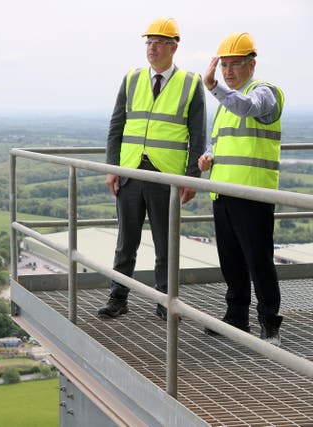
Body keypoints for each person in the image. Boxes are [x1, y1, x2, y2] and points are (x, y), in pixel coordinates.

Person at [97, 17, 206, 320]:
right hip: (131, 173)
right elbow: (116, 127)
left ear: (173, 47)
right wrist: (112, 167)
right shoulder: (131, 79)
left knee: (165, 245)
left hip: (165, 176)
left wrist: (191, 178)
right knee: (125, 242)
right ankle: (118, 299)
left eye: (158, 42)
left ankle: (165, 302)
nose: (152, 47)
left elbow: (198, 136)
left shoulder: (190, 83)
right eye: (148, 42)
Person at [198, 32, 284, 345]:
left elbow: (248, 108)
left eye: (235, 64)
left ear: (252, 64)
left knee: (258, 261)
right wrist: (208, 157)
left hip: (253, 195)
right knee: (231, 262)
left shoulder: (265, 92)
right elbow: (220, 141)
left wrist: (214, 88)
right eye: (224, 66)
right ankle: (236, 318)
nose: (229, 71)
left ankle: (269, 324)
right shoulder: (223, 104)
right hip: (223, 194)